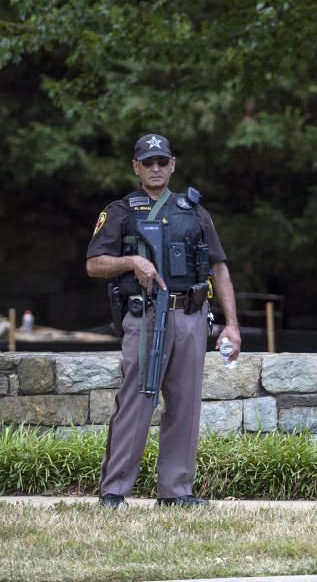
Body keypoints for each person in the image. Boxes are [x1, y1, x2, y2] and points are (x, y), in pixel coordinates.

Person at [86, 133, 241, 509]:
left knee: (185, 404)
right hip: (145, 315)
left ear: (173, 165)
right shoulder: (120, 211)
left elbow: (219, 269)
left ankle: (176, 492)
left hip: (190, 314)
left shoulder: (195, 211)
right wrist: (131, 262)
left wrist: (231, 325)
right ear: (135, 167)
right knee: (137, 400)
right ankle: (114, 491)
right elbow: (94, 265)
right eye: (147, 162)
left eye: (162, 162)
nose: (155, 168)